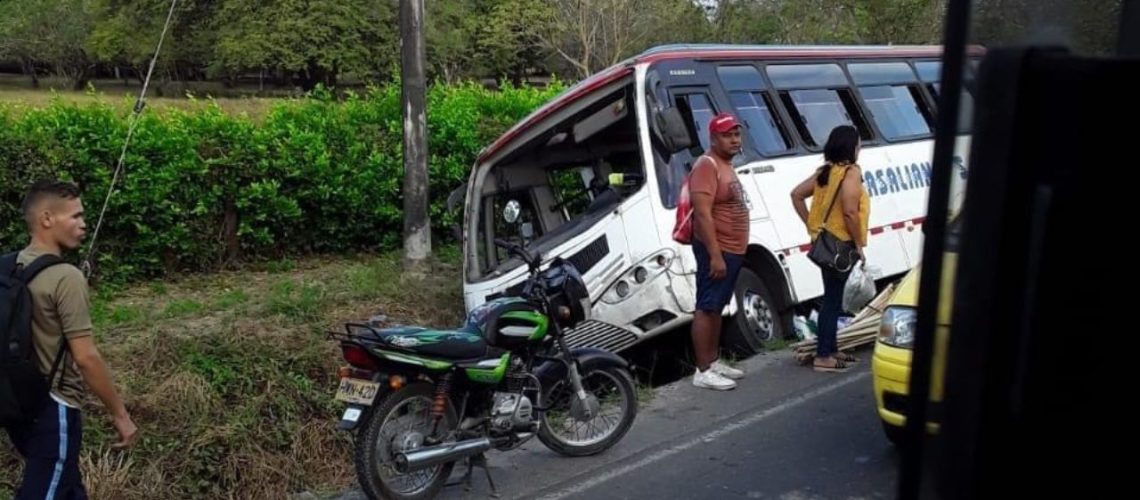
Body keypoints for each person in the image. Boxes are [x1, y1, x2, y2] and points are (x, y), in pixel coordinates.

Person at [5, 180, 138, 499]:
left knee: (66, 487)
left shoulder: (8, 266)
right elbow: (86, 357)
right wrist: (121, 414)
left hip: (16, 403)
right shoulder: (67, 277)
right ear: (47, 219)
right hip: (56, 407)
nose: (83, 224)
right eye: (76, 216)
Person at [791, 125, 870, 372]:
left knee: (832, 299)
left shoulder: (825, 172)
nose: (860, 148)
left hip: (825, 243)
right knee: (832, 301)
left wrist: (813, 227)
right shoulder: (851, 172)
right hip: (841, 245)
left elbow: (796, 195)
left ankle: (832, 349)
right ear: (852, 147)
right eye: (858, 143)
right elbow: (849, 210)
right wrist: (859, 244)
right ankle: (824, 356)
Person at [688, 113, 750, 390]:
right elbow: (701, 214)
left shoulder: (726, 164)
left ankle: (712, 361)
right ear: (713, 138)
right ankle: (702, 370)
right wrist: (714, 254)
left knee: (718, 307)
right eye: (728, 135)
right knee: (707, 306)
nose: (735, 139)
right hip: (718, 248)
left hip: (733, 248)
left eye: (737, 134)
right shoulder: (707, 165)